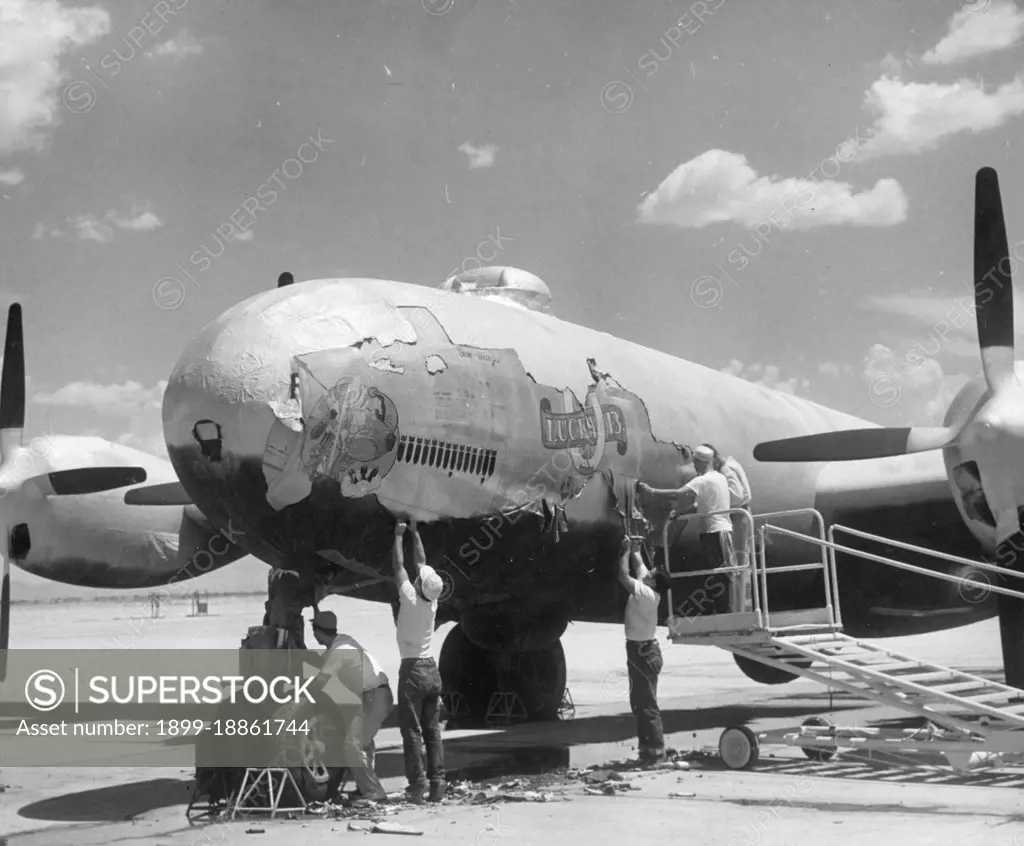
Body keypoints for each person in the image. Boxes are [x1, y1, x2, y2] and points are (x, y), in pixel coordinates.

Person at [639, 444, 737, 613]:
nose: (695, 466)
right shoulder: (719, 477)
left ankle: (724, 611)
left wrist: (651, 492)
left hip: (715, 532)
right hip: (716, 531)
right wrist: (681, 513)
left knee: (719, 574)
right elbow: (700, 504)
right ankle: (722, 610)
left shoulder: (703, 480)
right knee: (718, 573)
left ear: (701, 462)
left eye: (696, 463)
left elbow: (678, 493)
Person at [301, 612, 387, 804]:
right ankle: (364, 788)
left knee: (351, 745)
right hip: (376, 694)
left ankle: (374, 793)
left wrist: (300, 698)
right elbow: (323, 661)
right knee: (363, 744)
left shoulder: (339, 651)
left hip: (373, 696)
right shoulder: (344, 642)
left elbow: (321, 680)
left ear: (317, 632)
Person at [392, 519, 446, 804]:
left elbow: (399, 567)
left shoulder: (410, 598)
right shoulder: (431, 601)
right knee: (432, 730)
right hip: (431, 670)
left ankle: (417, 785)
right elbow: (421, 561)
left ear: (419, 585)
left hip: (412, 669)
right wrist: (416, 532)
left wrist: (399, 535)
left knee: (412, 732)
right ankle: (438, 785)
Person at [617, 534, 672, 766]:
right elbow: (640, 567)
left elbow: (623, 576)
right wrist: (636, 549)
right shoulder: (649, 587)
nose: (648, 572)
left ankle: (656, 752)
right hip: (641, 650)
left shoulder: (646, 593)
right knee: (640, 702)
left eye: (652, 573)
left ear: (653, 582)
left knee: (646, 703)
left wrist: (624, 552)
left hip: (642, 652)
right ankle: (647, 750)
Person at [704, 443, 753, 612]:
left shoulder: (726, 470)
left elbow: (738, 497)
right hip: (739, 516)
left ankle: (739, 609)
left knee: (738, 565)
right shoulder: (731, 464)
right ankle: (740, 607)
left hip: (738, 517)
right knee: (740, 564)